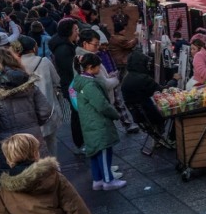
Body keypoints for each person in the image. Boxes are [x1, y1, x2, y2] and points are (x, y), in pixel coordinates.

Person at [0, 47, 52, 178]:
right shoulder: (29, 83)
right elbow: (45, 110)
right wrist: (34, 123)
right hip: (33, 139)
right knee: (41, 179)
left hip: (8, 146)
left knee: (13, 184)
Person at [72, 53, 127, 191]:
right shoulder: (90, 84)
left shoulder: (81, 80)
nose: (100, 69)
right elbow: (101, 104)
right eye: (98, 67)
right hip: (97, 122)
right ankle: (108, 180)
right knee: (103, 150)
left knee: (94, 152)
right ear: (91, 67)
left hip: (89, 122)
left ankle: (98, 179)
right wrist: (114, 114)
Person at [18, 36, 63, 157]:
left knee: (33, 146)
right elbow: (57, 81)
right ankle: (53, 167)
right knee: (51, 141)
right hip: (48, 109)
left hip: (28, 112)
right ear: (34, 48)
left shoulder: (16, 65)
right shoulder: (44, 62)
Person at [49, 19, 83, 149]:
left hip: (71, 84)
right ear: (68, 31)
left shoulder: (67, 45)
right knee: (77, 114)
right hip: (71, 86)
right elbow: (70, 69)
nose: (77, 32)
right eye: (75, 30)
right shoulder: (64, 49)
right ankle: (79, 143)